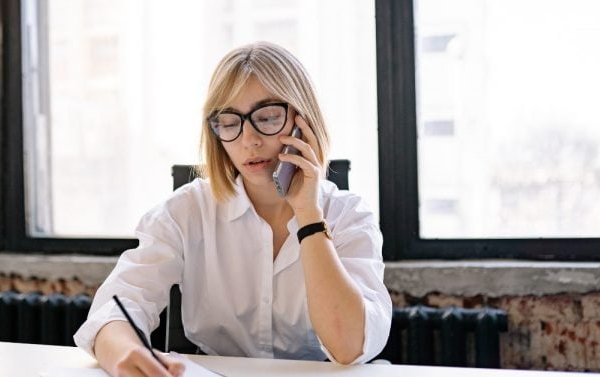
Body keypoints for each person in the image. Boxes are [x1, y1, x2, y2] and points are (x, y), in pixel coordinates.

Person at [74, 41, 392, 377]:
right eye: (229, 122)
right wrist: (126, 354)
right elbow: (115, 309)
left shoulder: (349, 216)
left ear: (304, 122)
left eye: (268, 117)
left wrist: (308, 216)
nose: (249, 140)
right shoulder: (186, 211)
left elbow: (349, 347)